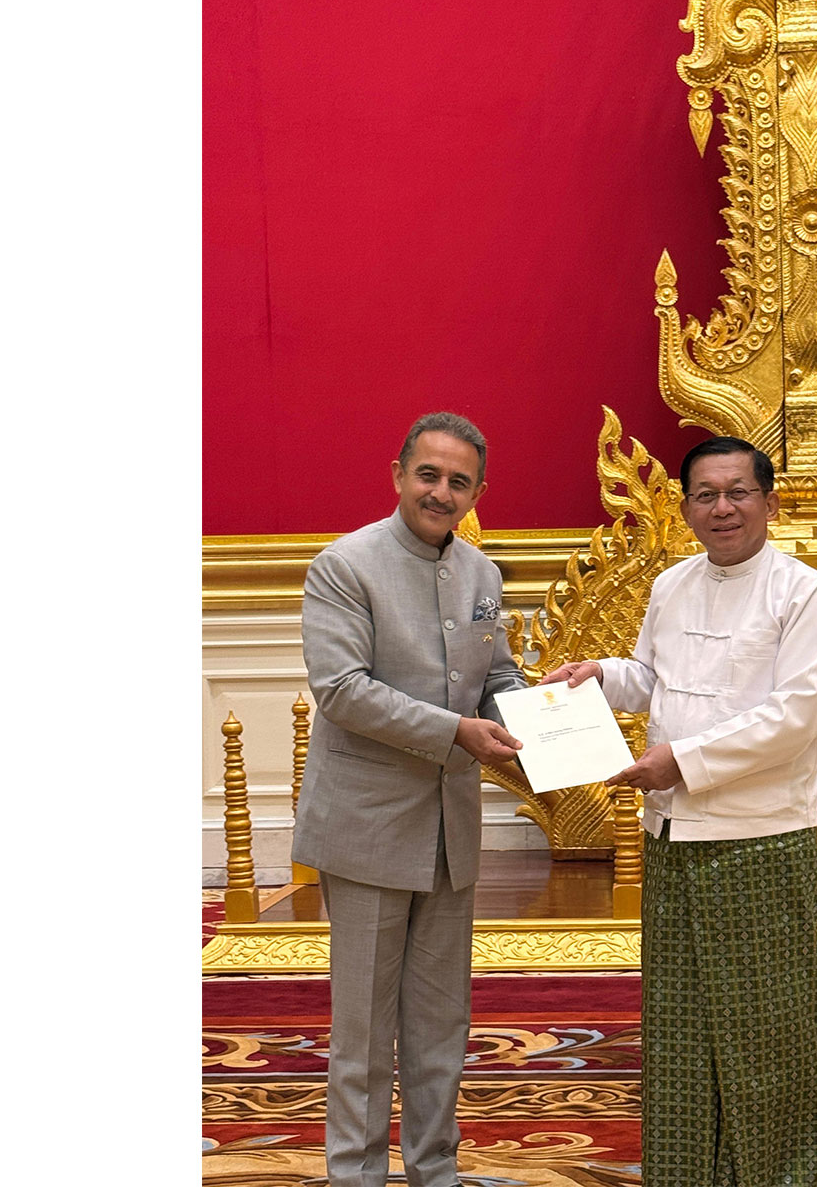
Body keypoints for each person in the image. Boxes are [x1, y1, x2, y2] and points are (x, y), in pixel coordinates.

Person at [541, 435, 817, 1186]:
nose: (722, 508)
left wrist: (680, 761)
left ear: (770, 503)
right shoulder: (672, 584)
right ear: (686, 509)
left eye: (737, 492)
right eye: (705, 495)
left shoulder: (804, 594)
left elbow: (794, 719)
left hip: (759, 839)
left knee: (767, 1035)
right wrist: (599, 676)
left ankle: (779, 1176)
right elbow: (653, 676)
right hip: (672, 835)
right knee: (680, 1028)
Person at [292, 412, 526, 1187]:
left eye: (459, 481)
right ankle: (354, 1178)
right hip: (365, 830)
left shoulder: (482, 577)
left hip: (449, 834)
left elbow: (496, 678)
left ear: (478, 492)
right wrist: (459, 731)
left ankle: (436, 1173)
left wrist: (543, 712)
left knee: (440, 1025)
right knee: (362, 1031)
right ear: (397, 474)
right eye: (428, 474)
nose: (441, 491)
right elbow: (343, 691)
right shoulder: (344, 565)